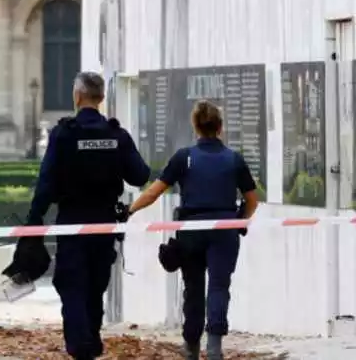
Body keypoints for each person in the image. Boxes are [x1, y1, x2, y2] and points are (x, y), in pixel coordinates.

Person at [22, 71, 151, 360]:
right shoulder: (116, 135)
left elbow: (46, 182)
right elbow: (140, 174)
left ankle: (82, 348)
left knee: (71, 285)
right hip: (104, 223)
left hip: (72, 223)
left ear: (77, 96)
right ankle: (90, 343)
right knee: (94, 287)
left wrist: (34, 219)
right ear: (102, 98)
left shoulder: (64, 133)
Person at [128, 100, 260, 360]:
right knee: (220, 287)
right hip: (225, 230)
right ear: (220, 127)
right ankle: (214, 347)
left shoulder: (184, 157)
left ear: (195, 127)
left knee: (193, 288)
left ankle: (190, 346)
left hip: (191, 230)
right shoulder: (234, 159)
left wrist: (129, 210)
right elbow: (253, 200)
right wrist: (240, 220)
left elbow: (154, 193)